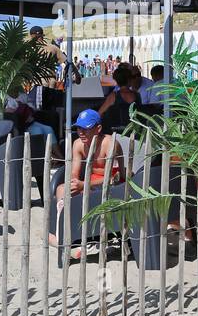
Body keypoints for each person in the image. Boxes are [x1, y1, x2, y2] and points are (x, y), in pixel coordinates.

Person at [52, 109, 123, 258]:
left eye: (86, 128)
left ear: (98, 128)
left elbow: (114, 177)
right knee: (61, 189)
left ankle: (68, 239)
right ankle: (63, 233)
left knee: (83, 192)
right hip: (90, 183)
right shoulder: (78, 144)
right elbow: (74, 173)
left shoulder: (110, 144)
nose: (81, 132)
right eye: (78, 128)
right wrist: (74, 183)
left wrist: (83, 185)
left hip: (113, 187)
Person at [98, 64, 140, 133]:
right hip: (134, 130)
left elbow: (99, 113)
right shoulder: (137, 95)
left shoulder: (113, 96)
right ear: (129, 80)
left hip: (116, 132)